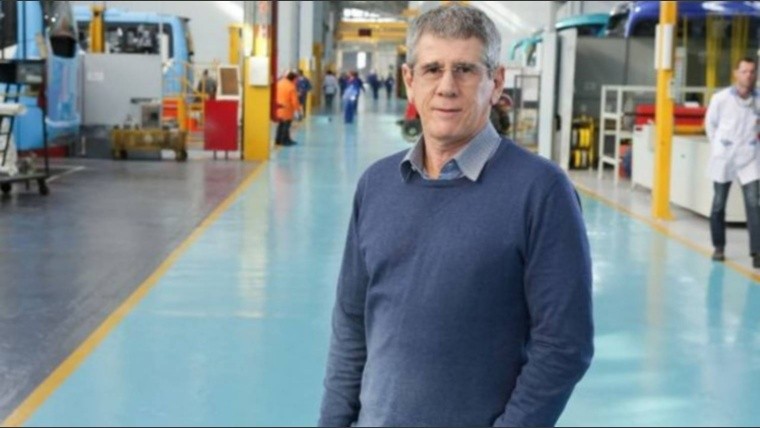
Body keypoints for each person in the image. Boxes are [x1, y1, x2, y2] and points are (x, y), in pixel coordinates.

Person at [319, 5, 593, 428]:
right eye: (432, 69)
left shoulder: (541, 191)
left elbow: (564, 344)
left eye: (465, 70)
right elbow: (351, 323)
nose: (447, 86)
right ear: (410, 81)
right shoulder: (376, 185)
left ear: (495, 83)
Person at [705, 57, 760, 267]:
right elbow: (710, 124)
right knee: (719, 203)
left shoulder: (758, 99)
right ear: (736, 73)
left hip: (749, 156)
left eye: (752, 71)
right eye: (744, 71)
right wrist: (718, 146)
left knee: (754, 203)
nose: (748, 75)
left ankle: (757, 252)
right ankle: (719, 246)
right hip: (725, 156)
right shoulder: (721, 99)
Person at [274, 71, 301, 146]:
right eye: (296, 79)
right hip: (287, 109)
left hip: (278, 107)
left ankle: (278, 140)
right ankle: (285, 141)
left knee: (280, 125)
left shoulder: (279, 83)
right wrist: (298, 110)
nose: (297, 81)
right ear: (294, 78)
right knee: (286, 125)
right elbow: (294, 101)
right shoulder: (291, 87)